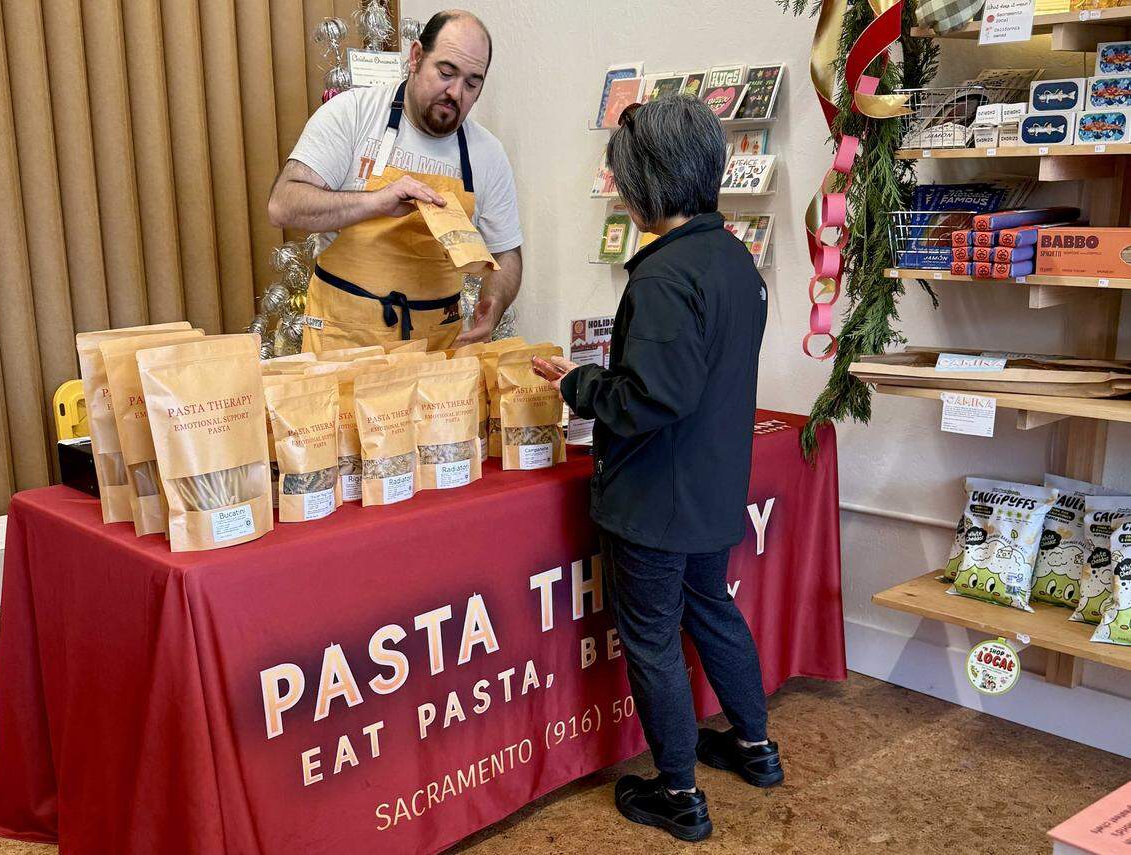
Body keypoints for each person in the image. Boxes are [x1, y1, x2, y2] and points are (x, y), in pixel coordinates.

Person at [547, 96, 780, 843]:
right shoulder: (734, 257)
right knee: (711, 607)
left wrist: (575, 381)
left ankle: (678, 790)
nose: (618, 190)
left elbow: (650, 398)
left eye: (621, 178)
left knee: (650, 638)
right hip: (715, 486)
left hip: (655, 499)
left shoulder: (661, 277)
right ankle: (755, 747)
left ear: (646, 180)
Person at [268, 10, 522, 352]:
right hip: (346, 339)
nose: (456, 92)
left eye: (472, 83)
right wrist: (376, 202)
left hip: (438, 347)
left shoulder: (487, 153)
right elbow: (283, 205)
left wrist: (494, 304)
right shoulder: (353, 114)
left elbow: (507, 253)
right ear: (416, 57)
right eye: (446, 73)